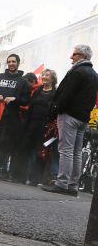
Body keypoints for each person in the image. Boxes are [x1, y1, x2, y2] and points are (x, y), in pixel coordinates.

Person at [42, 45, 98, 196]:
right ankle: (72, 185)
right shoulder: (94, 74)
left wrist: (56, 110)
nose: (71, 57)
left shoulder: (77, 71)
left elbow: (66, 94)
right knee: (76, 152)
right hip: (83, 118)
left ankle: (61, 183)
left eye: (74, 54)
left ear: (82, 56)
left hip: (69, 115)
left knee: (66, 150)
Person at [0, 54, 30, 179]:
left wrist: (15, 99)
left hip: (10, 118)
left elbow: (26, 100)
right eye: (9, 61)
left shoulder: (23, 82)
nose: (11, 64)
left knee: (3, 144)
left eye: (13, 61)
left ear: (18, 63)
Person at [13, 69, 57, 184]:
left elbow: (54, 112)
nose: (44, 76)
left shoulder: (55, 94)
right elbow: (30, 108)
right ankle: (20, 176)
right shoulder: (37, 91)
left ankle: (35, 179)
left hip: (45, 126)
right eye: (43, 74)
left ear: (52, 78)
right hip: (31, 123)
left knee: (40, 152)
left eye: (47, 75)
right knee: (25, 149)